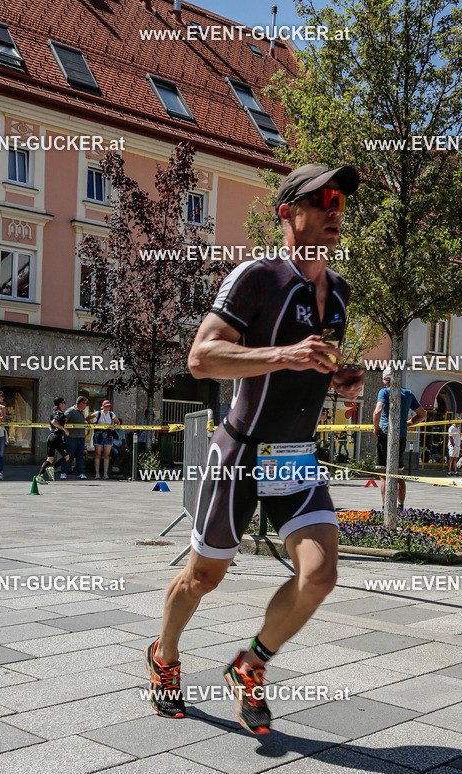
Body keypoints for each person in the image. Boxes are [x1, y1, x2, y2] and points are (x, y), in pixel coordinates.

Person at [144, 161, 364, 733]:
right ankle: (163, 656)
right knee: (204, 577)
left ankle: (250, 663)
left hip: (294, 457)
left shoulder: (338, 291)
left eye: (340, 202)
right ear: (287, 212)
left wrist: (341, 376)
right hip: (240, 452)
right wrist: (283, 355)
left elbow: (317, 362)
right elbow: (202, 358)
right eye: (322, 202)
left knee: (320, 575)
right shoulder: (256, 277)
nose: (335, 212)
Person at [373, 367, 426, 510]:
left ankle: (385, 507)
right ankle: (401, 507)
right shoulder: (408, 393)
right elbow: (422, 414)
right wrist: (409, 423)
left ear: (385, 380)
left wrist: (375, 427)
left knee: (384, 474)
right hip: (401, 435)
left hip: (385, 433)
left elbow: (378, 410)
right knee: (398, 473)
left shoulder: (384, 392)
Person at [36, 397, 70, 483]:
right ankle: (53, 469)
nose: (65, 404)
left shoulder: (53, 412)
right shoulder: (59, 412)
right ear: (60, 404)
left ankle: (39, 476)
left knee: (49, 459)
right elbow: (54, 422)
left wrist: (63, 421)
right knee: (66, 457)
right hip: (56, 437)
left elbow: (50, 425)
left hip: (51, 436)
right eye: (64, 402)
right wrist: (64, 429)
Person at [90, 399, 118, 479]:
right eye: (106, 406)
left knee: (106, 455)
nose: (108, 408)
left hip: (108, 435)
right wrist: (92, 425)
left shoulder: (111, 414)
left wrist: (114, 427)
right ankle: (97, 474)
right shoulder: (98, 413)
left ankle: (105, 474)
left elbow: (118, 422)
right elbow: (88, 418)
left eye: (109, 406)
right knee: (98, 454)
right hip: (99, 434)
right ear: (102, 406)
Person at [64, 396, 89, 479]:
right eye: (85, 403)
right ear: (81, 403)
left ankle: (80, 473)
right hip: (72, 437)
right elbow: (63, 421)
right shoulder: (71, 411)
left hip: (81, 437)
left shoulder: (82, 412)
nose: (86, 405)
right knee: (68, 455)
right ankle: (63, 472)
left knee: (80, 456)